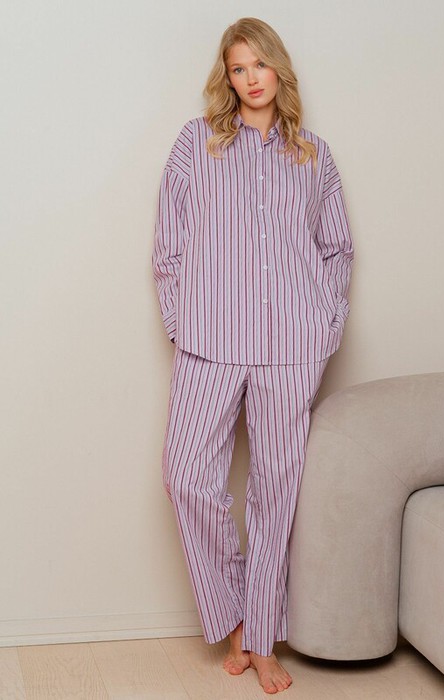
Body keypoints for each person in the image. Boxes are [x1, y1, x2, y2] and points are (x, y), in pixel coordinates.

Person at [152, 16, 354, 694]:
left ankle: (263, 639)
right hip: (210, 339)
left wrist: (325, 328)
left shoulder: (314, 156)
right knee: (185, 475)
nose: (251, 78)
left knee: (275, 490)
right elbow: (169, 244)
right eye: (238, 68)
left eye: (260, 64)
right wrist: (181, 322)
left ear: (278, 69)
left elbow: (337, 249)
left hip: (290, 345)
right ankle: (236, 616)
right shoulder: (197, 143)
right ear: (227, 77)